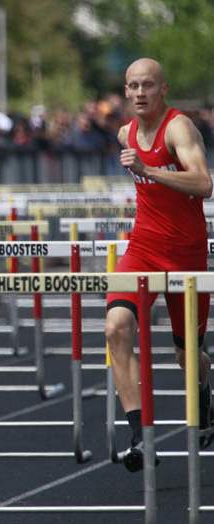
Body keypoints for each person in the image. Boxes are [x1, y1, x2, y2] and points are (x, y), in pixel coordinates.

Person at [105, 58, 213, 472]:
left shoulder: (178, 127)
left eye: (147, 85)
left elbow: (203, 183)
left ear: (163, 89)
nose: (139, 93)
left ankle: (204, 387)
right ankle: (138, 434)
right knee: (115, 326)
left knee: (187, 356)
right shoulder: (124, 132)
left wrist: (149, 169)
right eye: (132, 86)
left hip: (185, 253)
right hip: (143, 248)